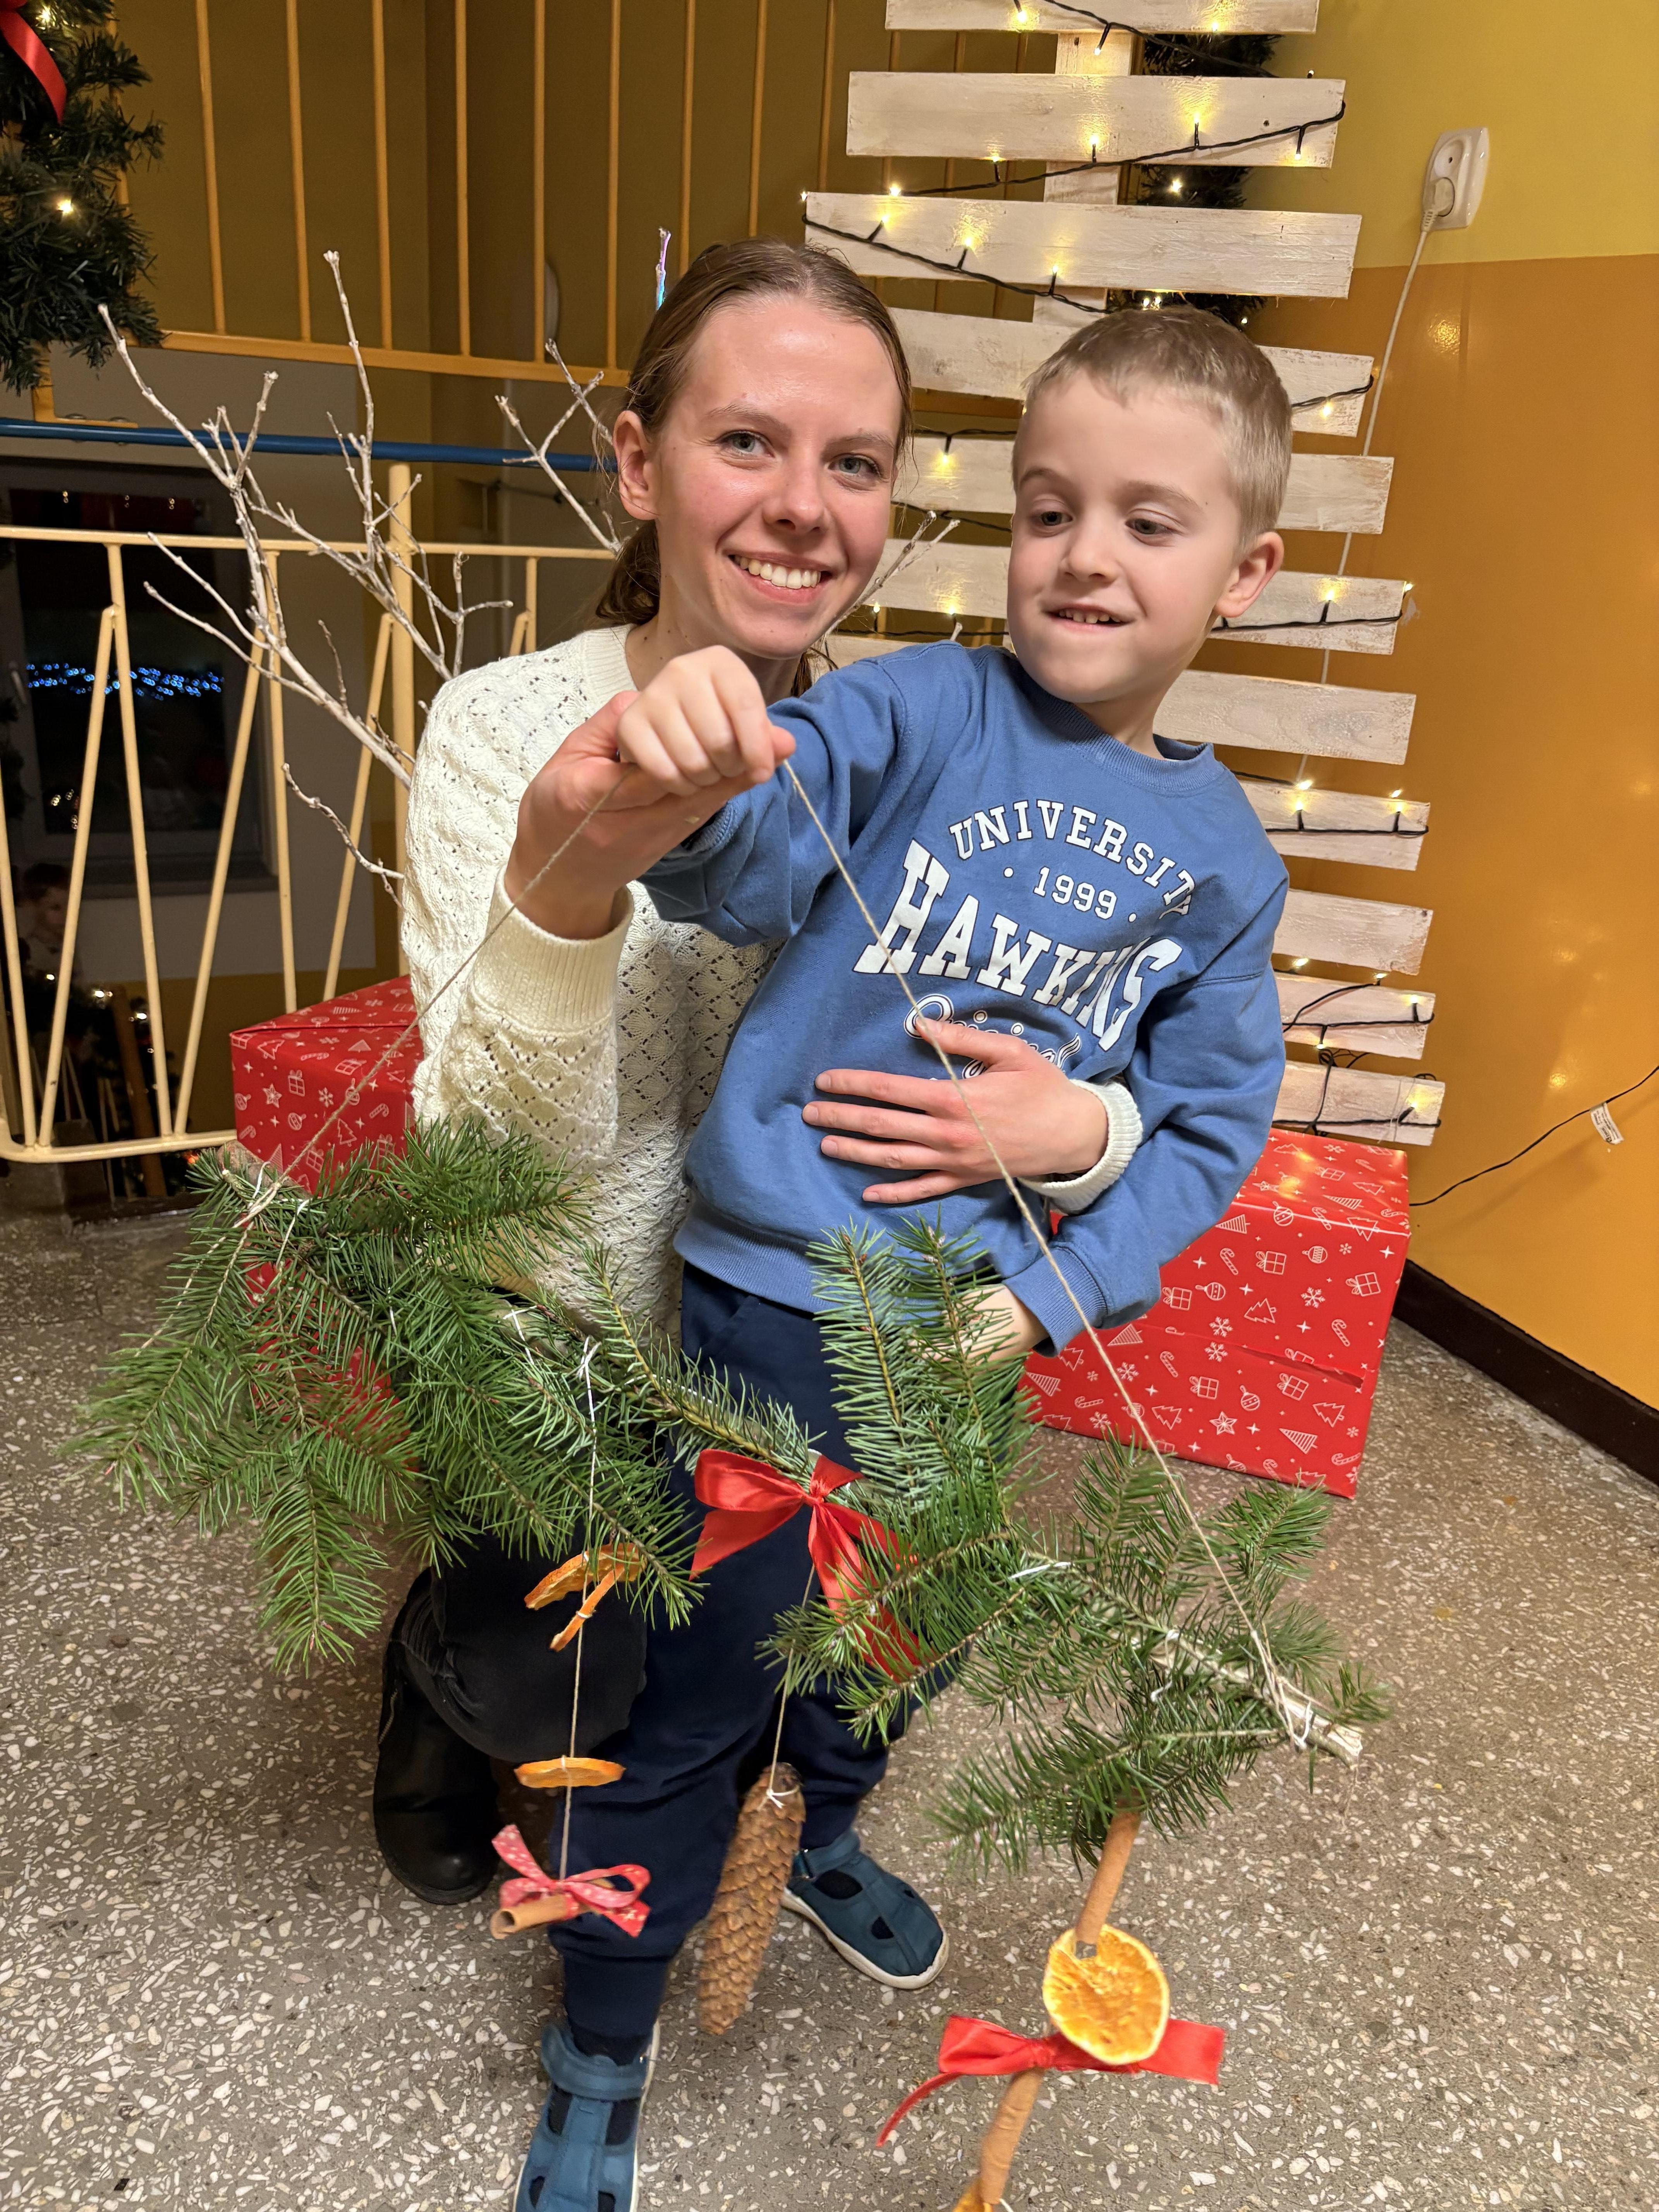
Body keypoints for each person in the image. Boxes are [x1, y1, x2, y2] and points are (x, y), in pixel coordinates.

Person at [383, 241, 1142, 2209]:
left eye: (856, 462)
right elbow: (492, 1160)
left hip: (851, 1350)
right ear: (641, 467)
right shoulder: (508, 730)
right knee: (617, 1709)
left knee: (887, 1636)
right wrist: (567, 878)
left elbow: (1107, 1029)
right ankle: (566, 1947)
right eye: (747, 442)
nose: (806, 505)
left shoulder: (934, 752)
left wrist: (1086, 1134)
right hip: (594, 1367)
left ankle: (818, 1822)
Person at [520, 302, 1294, 2209]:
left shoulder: (1225, 859)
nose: (1085, 556)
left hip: (971, 1340)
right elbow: (741, 865)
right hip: (775, 1308)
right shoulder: (907, 712)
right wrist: (699, 755)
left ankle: (824, 1830)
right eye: (1047, 509)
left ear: (1247, 572)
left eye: (1149, 523)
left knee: (902, 1638)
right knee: (705, 1687)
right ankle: (603, 2030)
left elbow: (1208, 1126)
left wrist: (1049, 1288)